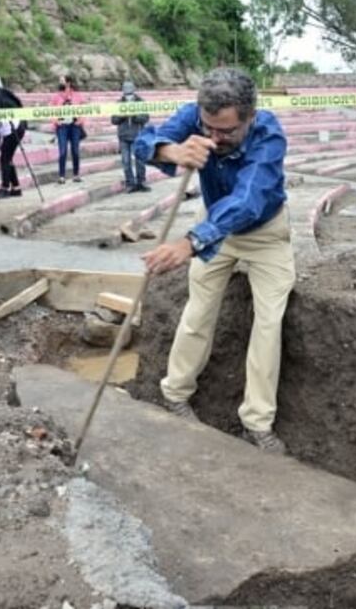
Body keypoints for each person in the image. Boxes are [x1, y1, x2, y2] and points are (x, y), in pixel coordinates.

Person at [135, 67, 295, 455]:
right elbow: (143, 141)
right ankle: (175, 394)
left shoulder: (269, 136)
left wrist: (190, 242)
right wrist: (170, 151)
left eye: (226, 131)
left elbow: (247, 200)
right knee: (198, 310)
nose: (214, 137)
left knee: (268, 324)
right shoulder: (197, 116)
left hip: (263, 233)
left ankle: (257, 422)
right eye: (208, 128)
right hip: (212, 222)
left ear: (250, 117)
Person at [111, 81, 151, 192]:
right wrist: (122, 116)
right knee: (126, 161)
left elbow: (146, 118)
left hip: (137, 135)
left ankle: (141, 182)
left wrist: (135, 116)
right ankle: (130, 183)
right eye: (126, 91)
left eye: (130, 91)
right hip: (123, 136)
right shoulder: (119, 103)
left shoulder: (141, 102)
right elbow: (113, 120)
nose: (128, 94)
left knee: (140, 160)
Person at [50, 75, 87, 184]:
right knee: (62, 151)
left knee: (75, 151)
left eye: (62, 81)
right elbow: (50, 110)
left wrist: (81, 120)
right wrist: (56, 121)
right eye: (60, 81)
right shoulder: (56, 96)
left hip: (75, 126)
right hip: (62, 126)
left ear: (68, 83)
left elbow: (84, 108)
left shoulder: (77, 95)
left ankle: (76, 174)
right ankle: (62, 176)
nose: (60, 83)